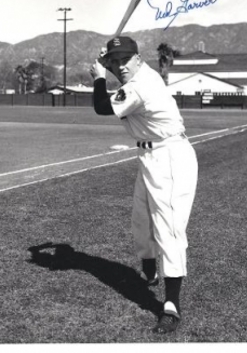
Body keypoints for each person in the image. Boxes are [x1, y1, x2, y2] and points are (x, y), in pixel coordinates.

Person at [90, 36, 198, 334]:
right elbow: (122, 79)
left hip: (171, 158)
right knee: (141, 220)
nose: (121, 65)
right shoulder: (138, 76)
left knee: (169, 229)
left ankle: (171, 306)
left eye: (126, 59)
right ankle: (149, 273)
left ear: (139, 59)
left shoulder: (142, 85)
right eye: (116, 60)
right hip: (151, 156)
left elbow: (102, 106)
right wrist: (108, 67)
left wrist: (100, 75)